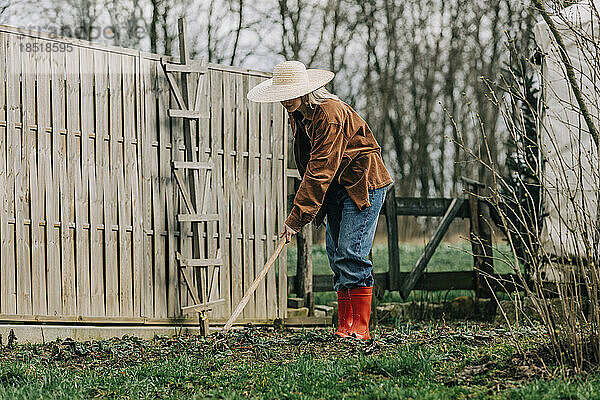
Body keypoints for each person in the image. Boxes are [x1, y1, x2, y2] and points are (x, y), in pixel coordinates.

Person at [247, 60, 392, 340]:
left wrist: (296, 218)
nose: (286, 99)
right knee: (336, 253)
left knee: (351, 253)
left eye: (290, 92)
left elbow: (319, 170)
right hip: (337, 189)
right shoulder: (299, 115)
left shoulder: (328, 114)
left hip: (362, 185)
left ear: (305, 89)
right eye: (282, 94)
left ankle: (359, 327)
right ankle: (345, 326)